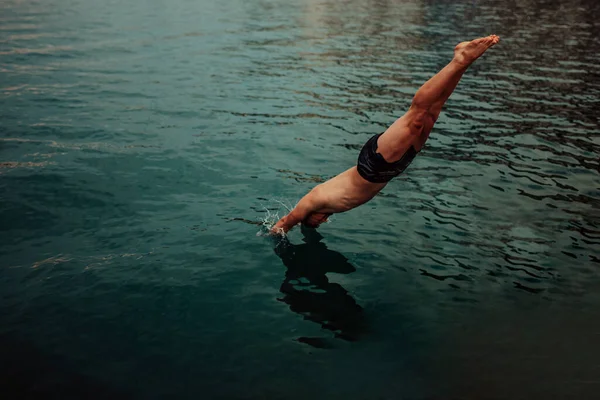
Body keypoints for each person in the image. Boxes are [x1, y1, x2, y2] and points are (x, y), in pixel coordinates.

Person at [271, 35, 500, 234]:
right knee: (432, 113)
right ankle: (465, 61)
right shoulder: (331, 208)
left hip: (374, 165)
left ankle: (458, 58)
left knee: (417, 115)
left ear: (307, 216)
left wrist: (274, 236)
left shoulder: (312, 201)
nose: (322, 221)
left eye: (315, 222)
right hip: (392, 168)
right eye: (320, 223)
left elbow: (284, 222)